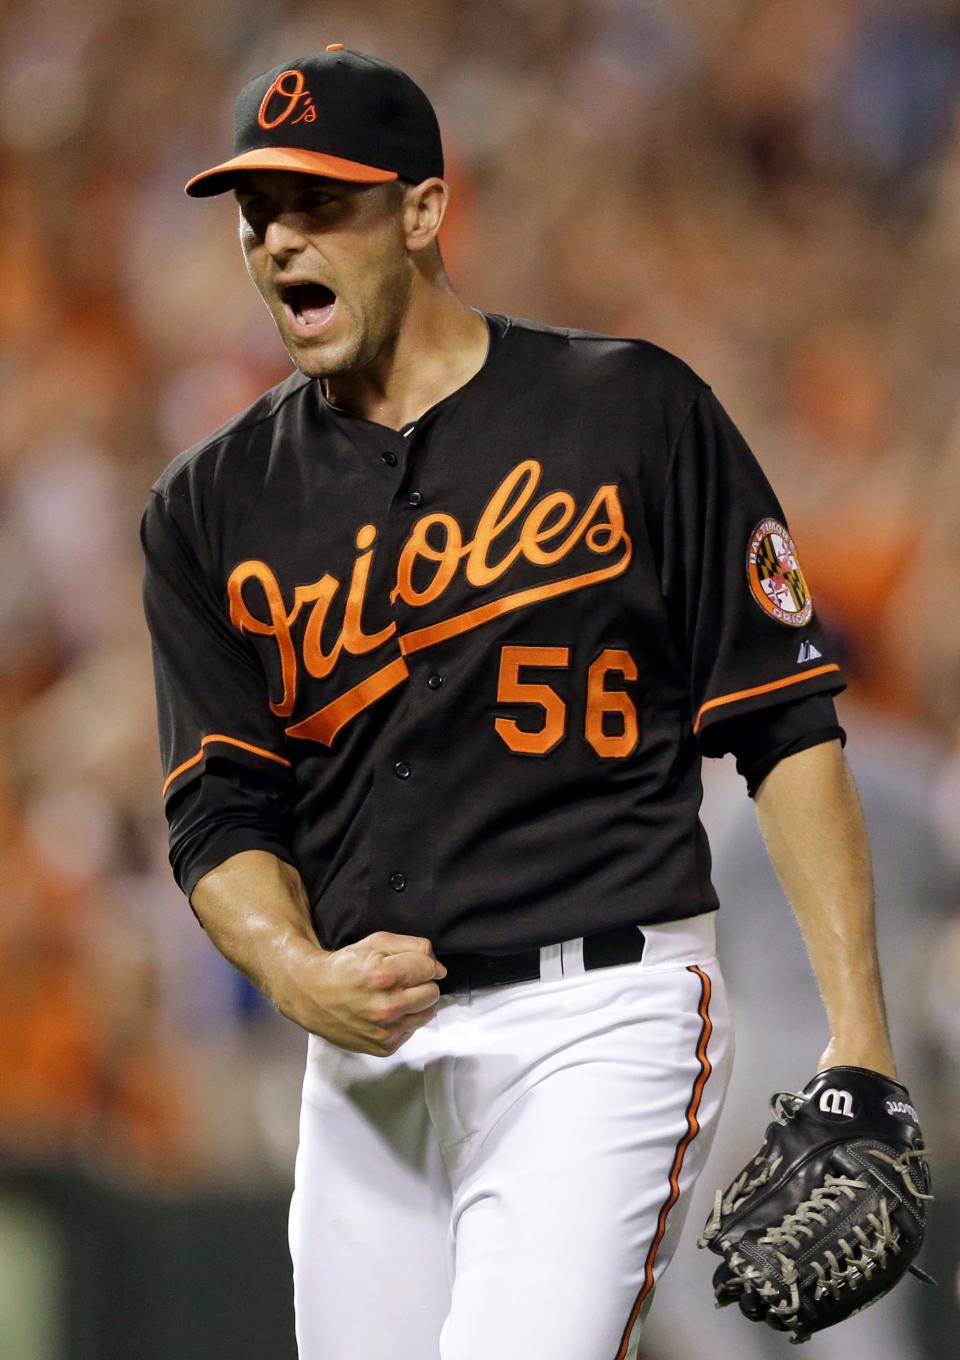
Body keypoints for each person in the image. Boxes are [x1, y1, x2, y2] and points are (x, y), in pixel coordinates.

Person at [140, 45, 897, 1360]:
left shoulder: (632, 413)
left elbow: (784, 725)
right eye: (260, 213)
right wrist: (292, 970)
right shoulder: (211, 505)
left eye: (323, 205)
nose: (279, 241)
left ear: (426, 212)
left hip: (601, 1016)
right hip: (368, 1059)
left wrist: (862, 1041)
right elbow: (218, 807)